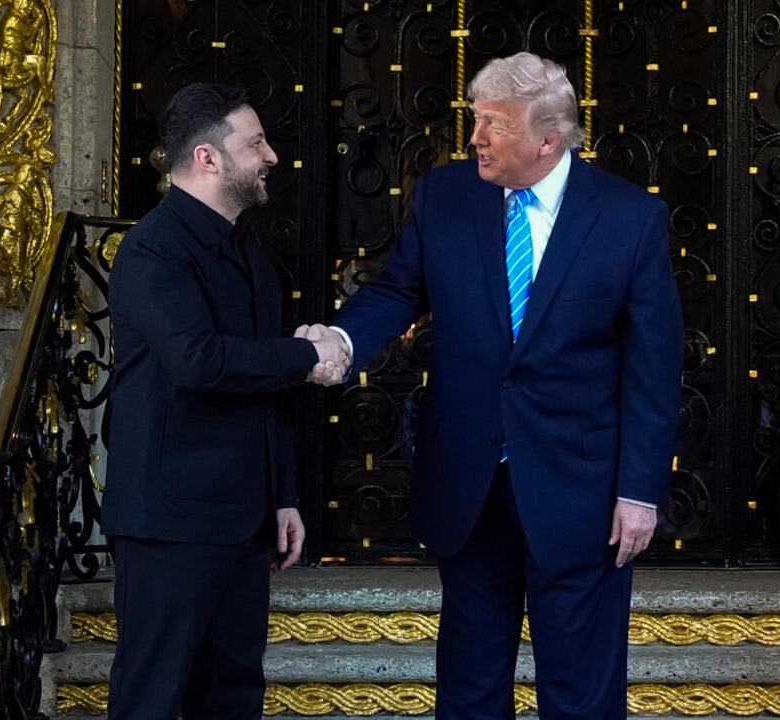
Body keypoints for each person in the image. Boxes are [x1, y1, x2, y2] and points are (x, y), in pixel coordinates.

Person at [315, 52, 683, 720]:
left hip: (582, 494)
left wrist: (639, 491)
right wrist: (341, 340)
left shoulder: (630, 217)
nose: (476, 137)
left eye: (495, 125)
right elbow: (397, 291)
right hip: (470, 486)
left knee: (581, 697)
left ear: (549, 139)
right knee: (470, 690)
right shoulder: (445, 194)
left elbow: (653, 366)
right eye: (476, 118)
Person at [102, 82, 349, 720]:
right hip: (168, 523)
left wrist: (283, 494)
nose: (271, 157)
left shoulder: (247, 253)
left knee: (234, 694)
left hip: (241, 518)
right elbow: (200, 362)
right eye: (256, 143)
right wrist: (305, 355)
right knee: (152, 699)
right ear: (208, 158)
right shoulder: (153, 248)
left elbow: (261, 391)